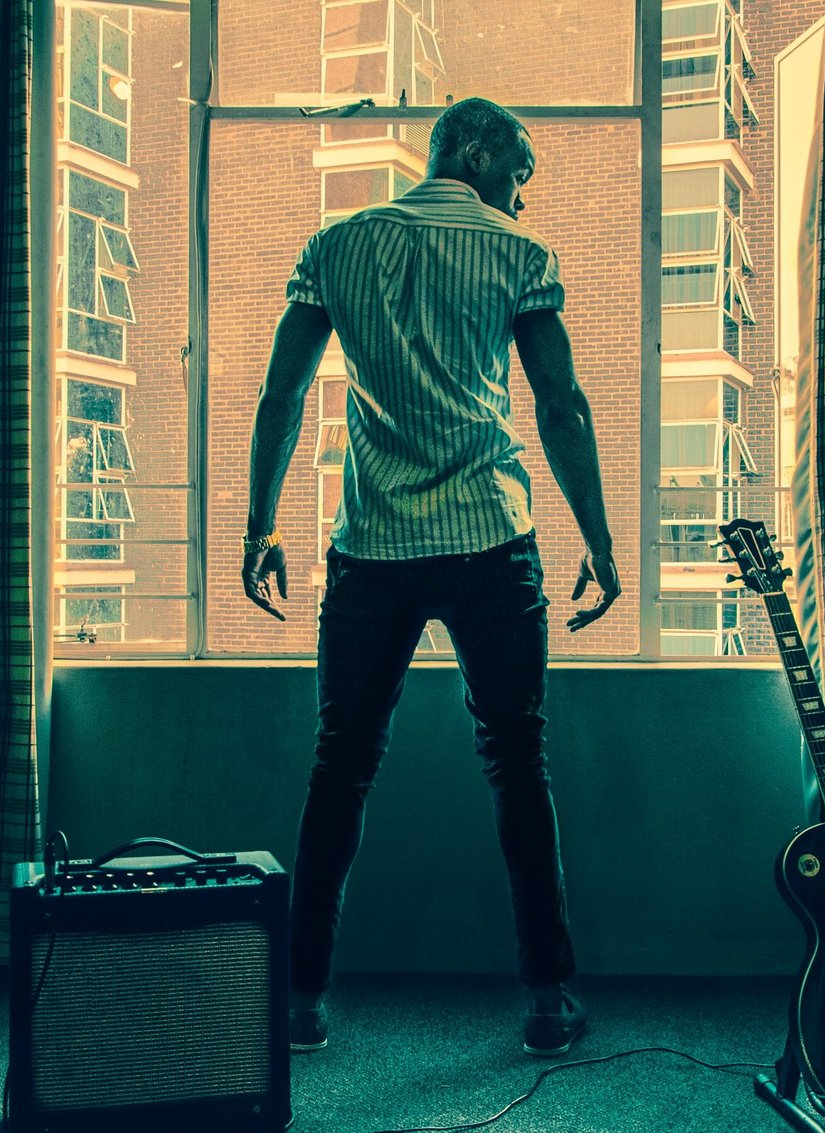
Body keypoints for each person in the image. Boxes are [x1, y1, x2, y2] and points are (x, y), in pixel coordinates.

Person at [240, 96, 620, 1058]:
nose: (522, 200)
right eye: (520, 176)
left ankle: (300, 1001)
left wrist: (258, 525)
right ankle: (547, 997)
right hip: (491, 539)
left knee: (341, 762)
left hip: (371, 546)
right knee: (517, 761)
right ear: (480, 153)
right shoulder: (516, 254)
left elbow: (282, 392)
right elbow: (561, 406)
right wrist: (602, 542)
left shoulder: (337, 243)